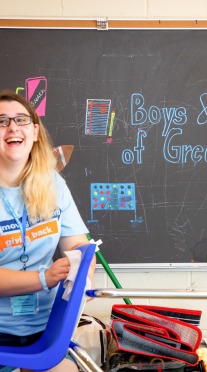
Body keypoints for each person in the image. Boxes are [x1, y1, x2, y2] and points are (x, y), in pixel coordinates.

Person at [0, 91, 96, 372]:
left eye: (21, 119)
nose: (12, 127)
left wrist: (82, 277)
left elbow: (79, 245)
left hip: (47, 331)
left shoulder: (52, 183)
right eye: (2, 121)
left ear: (35, 131)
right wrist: (43, 277)